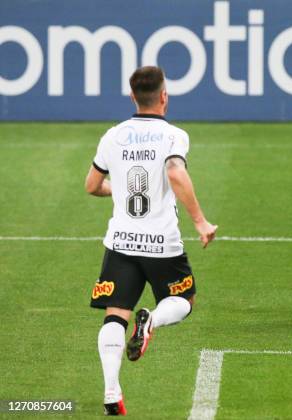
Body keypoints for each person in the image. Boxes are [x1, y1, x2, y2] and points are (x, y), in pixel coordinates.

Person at [85, 66, 217, 415]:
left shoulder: (112, 136)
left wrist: (120, 191)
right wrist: (200, 221)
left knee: (115, 315)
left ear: (132, 97)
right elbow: (175, 171)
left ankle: (112, 393)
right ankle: (152, 320)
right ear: (163, 97)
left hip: (121, 240)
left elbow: (92, 185)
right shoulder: (173, 135)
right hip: (161, 242)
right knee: (184, 299)